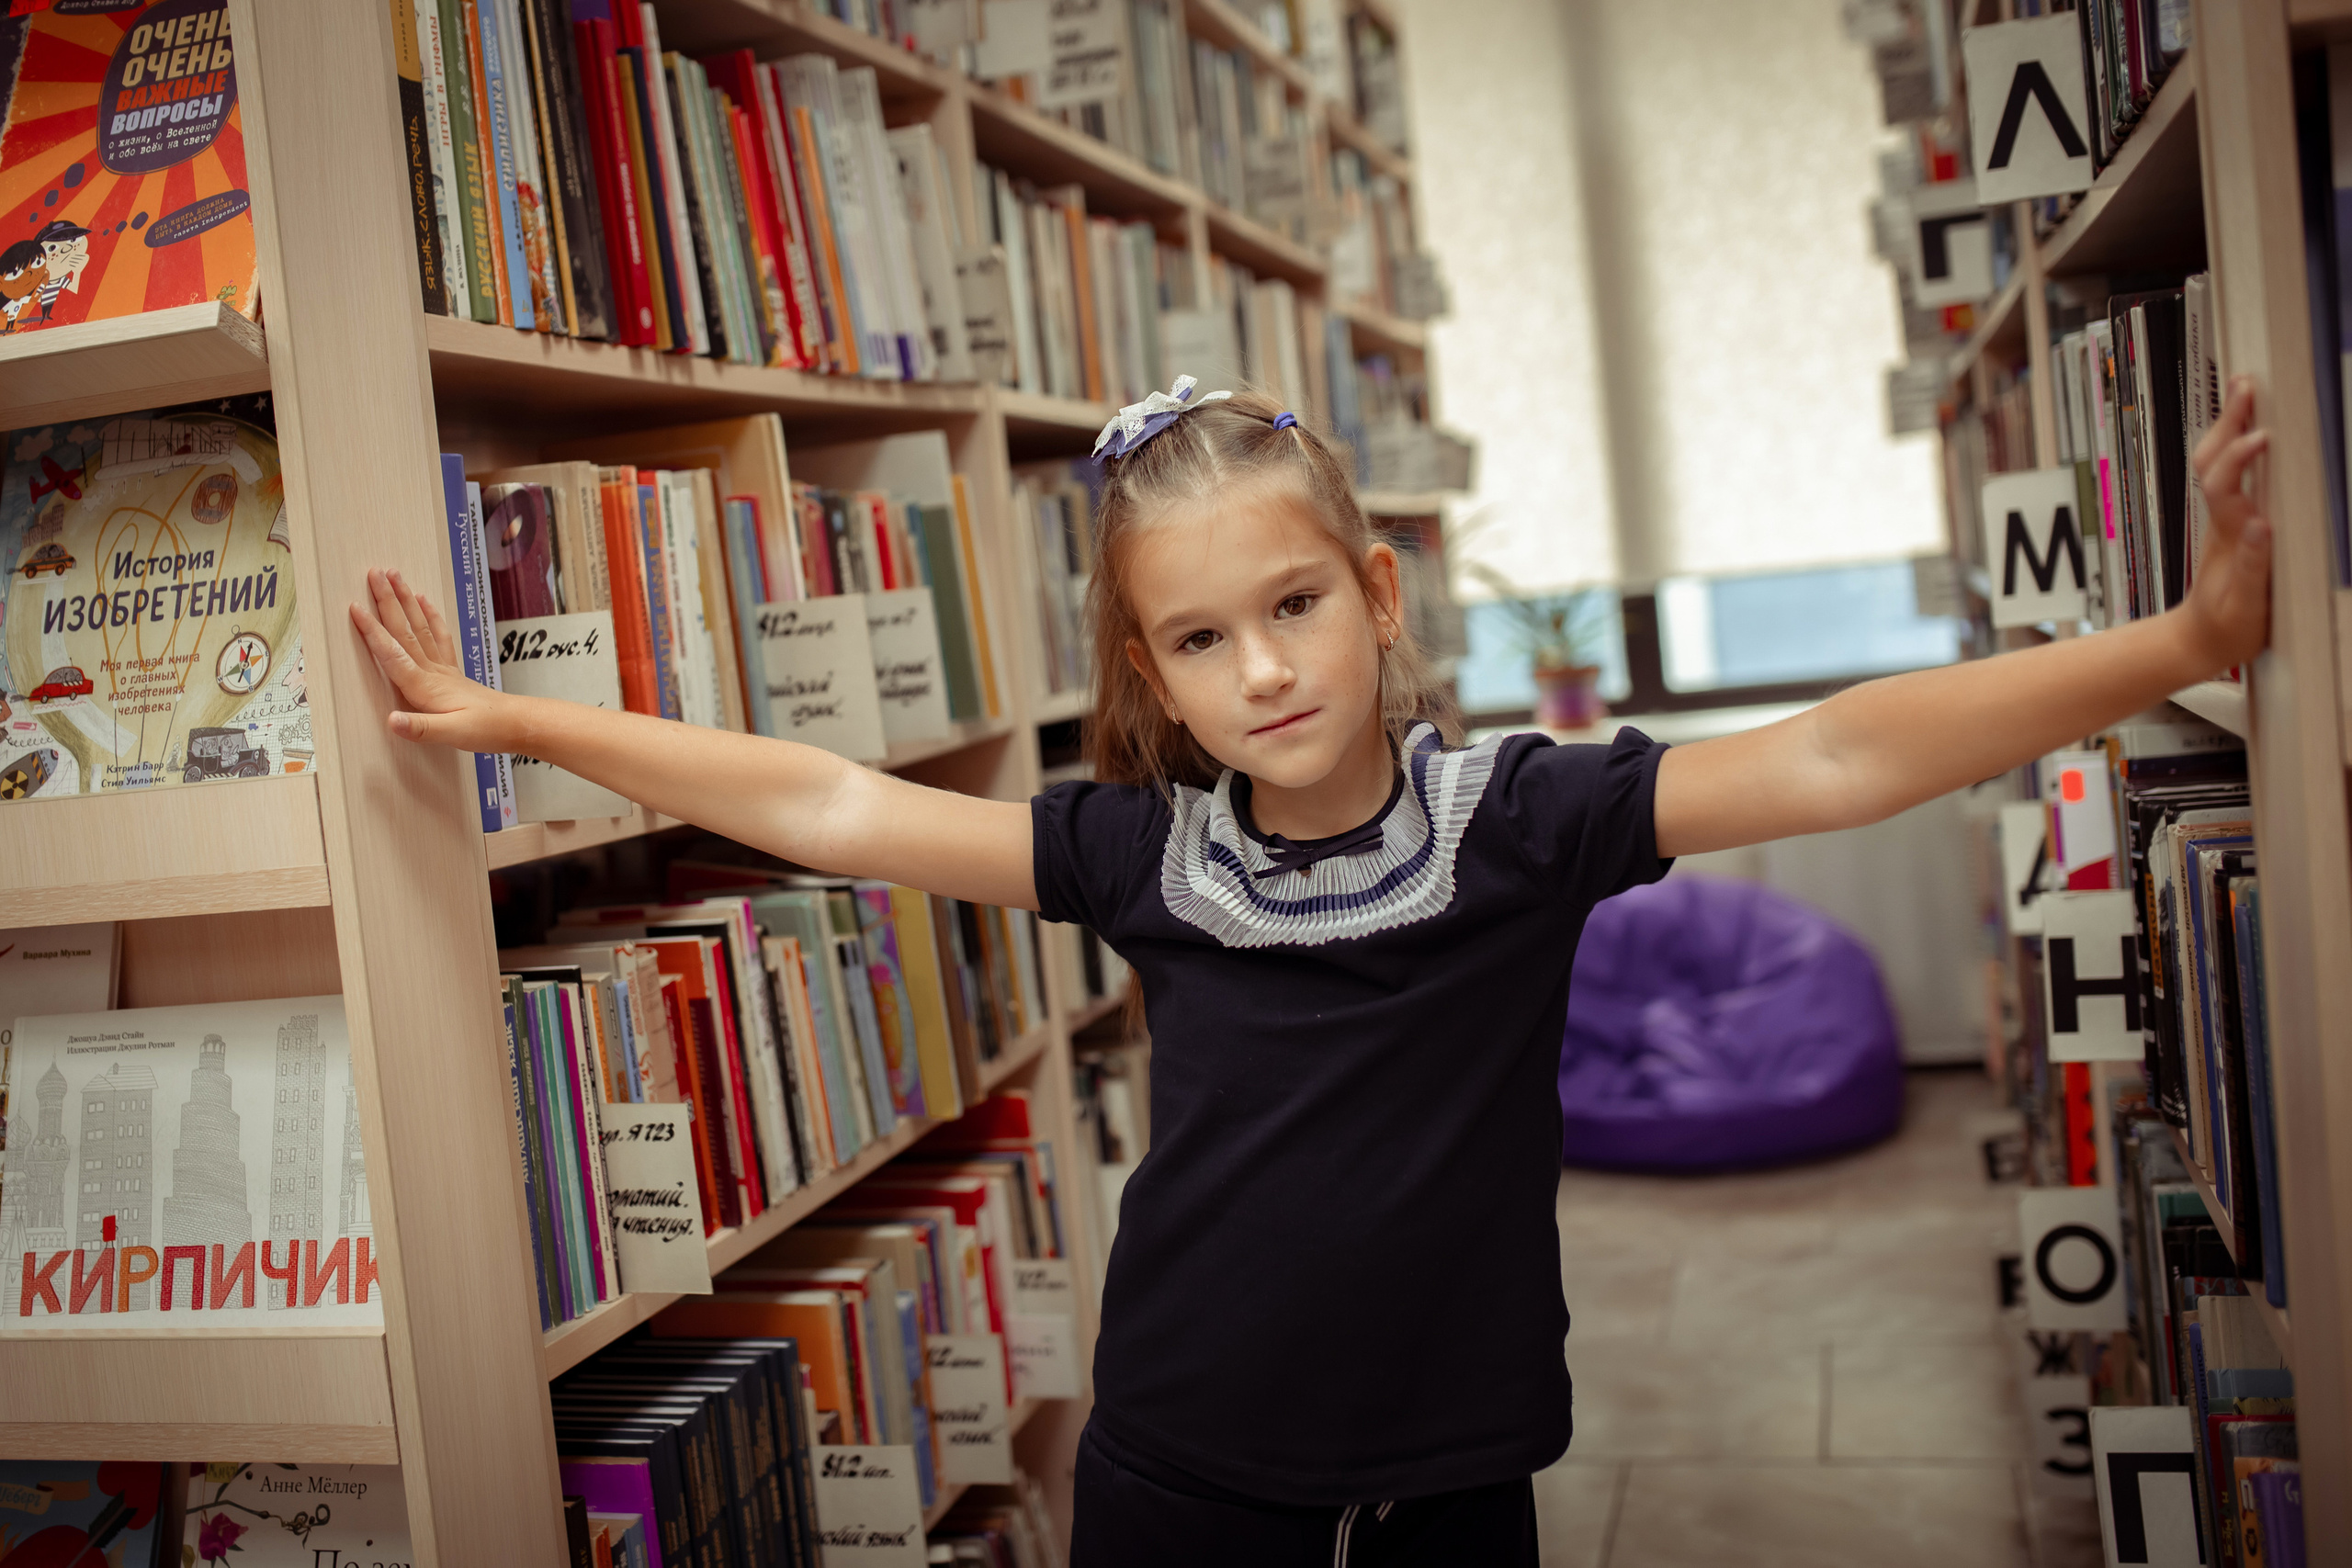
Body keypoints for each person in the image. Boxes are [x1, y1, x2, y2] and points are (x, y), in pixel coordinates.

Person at [352, 375, 2273, 1567]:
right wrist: (518, 714)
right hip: (1181, 1464)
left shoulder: (1518, 819)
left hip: (1453, 1470)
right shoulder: (1132, 851)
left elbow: (1841, 750)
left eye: (1289, 606)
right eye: (1198, 638)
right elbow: (831, 802)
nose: (1258, 668)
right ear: (1151, 675)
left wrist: (2178, 632)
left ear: (1372, 597)